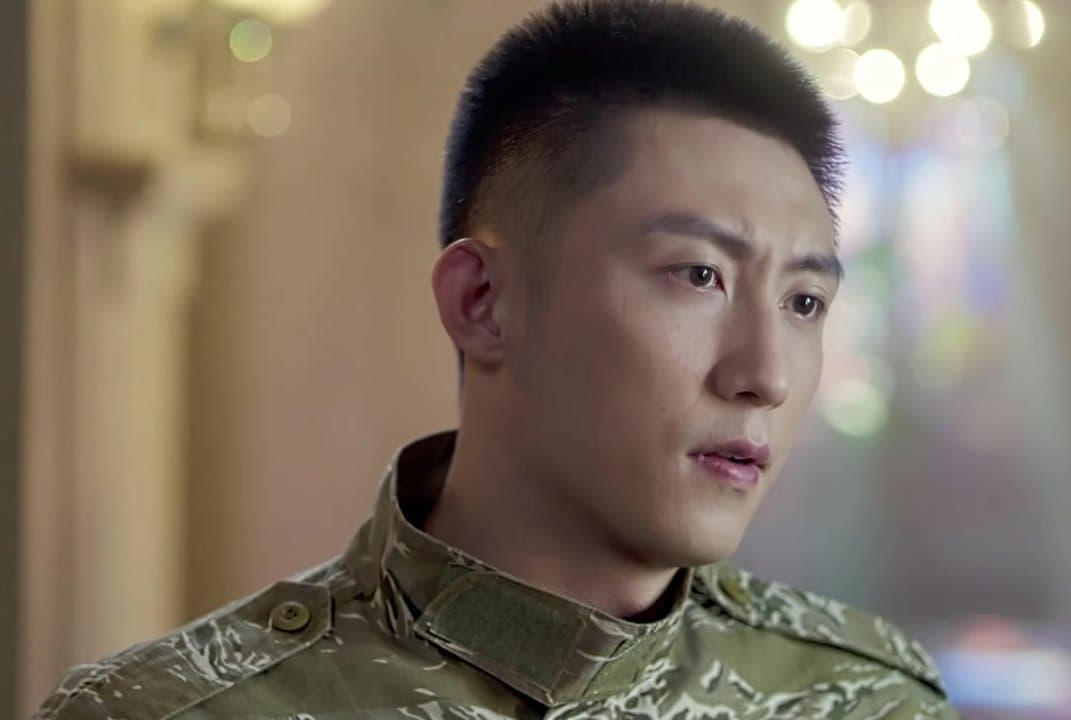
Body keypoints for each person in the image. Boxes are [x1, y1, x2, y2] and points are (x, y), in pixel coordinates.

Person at [34, 1, 958, 717]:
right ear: (483, 303)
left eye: (804, 302)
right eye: (698, 275)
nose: (767, 375)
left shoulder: (869, 699)